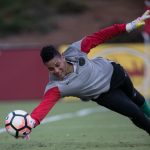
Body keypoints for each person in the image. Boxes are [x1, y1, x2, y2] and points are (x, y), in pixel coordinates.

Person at [25, 10, 150, 139]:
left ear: (62, 57)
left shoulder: (75, 50)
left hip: (115, 72)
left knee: (137, 99)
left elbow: (100, 36)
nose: (56, 71)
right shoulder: (55, 87)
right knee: (135, 113)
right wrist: (30, 124)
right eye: (51, 69)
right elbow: (43, 107)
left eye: (57, 65)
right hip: (104, 95)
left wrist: (129, 26)